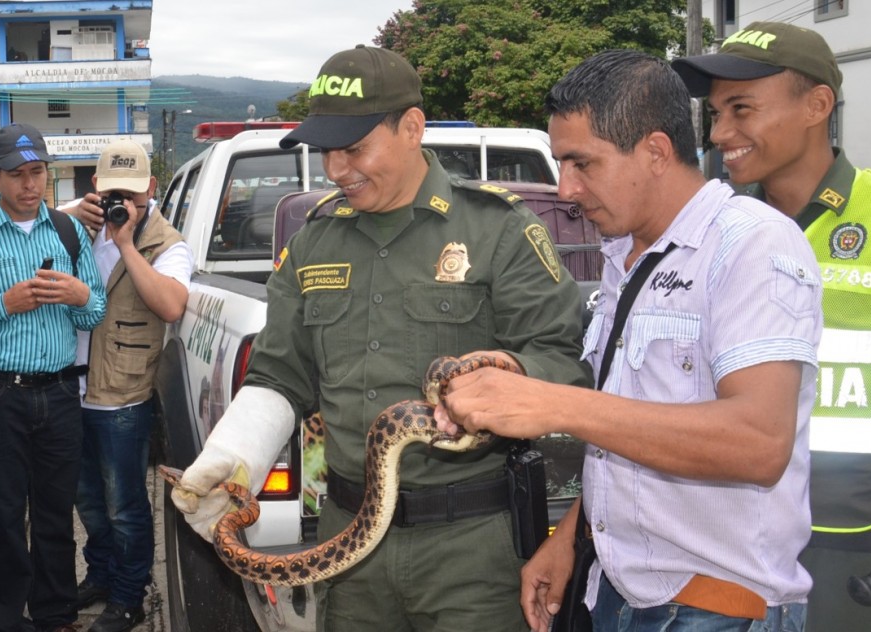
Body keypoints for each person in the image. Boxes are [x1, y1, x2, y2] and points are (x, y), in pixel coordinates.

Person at [170, 45, 592, 631]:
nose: (337, 170)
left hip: (471, 547)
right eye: (326, 153)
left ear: (412, 128)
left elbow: (563, 362)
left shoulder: (498, 230)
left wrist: (505, 378)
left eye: (354, 148)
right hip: (347, 543)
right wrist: (229, 457)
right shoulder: (315, 243)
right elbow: (279, 378)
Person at [435, 49, 823, 632]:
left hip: (715, 607)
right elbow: (634, 429)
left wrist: (552, 403)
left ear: (656, 152)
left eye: (581, 163)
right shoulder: (625, 253)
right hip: (620, 592)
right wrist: (570, 538)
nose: (564, 188)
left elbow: (761, 443)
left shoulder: (753, 243)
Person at [671, 21, 871, 630]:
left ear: (818, 105)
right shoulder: (705, 228)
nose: (721, 133)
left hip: (861, 548)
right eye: (716, 113)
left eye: (742, 109)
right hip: (723, 544)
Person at [0, 123, 106, 632]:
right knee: (2, 516)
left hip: (62, 392)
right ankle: (2, 617)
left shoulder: (67, 232)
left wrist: (79, 295)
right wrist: (6, 304)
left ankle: (55, 613)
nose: (30, 185)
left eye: (38, 173)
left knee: (55, 515)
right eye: (17, 175)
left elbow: (96, 311)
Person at [63, 139, 192, 632]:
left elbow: (171, 305)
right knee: (88, 502)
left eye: (133, 195)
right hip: (69, 390)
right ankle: (100, 575)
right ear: (95, 187)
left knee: (124, 507)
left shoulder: (166, 241)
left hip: (123, 396)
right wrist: (80, 212)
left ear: (151, 190)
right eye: (113, 192)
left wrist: (125, 243)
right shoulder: (76, 225)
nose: (124, 204)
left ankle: (128, 596)